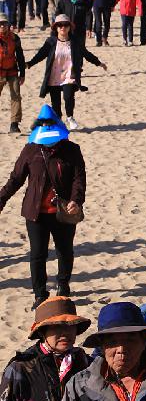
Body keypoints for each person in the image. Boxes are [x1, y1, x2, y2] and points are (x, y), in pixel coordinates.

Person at [0, 106, 85, 307]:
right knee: (38, 254)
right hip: (35, 212)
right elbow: (16, 179)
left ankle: (63, 285)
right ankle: (40, 294)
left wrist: (76, 200)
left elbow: (78, 179)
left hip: (62, 212)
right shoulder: (30, 150)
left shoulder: (72, 150)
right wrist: (1, 199)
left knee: (65, 250)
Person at [25, 14, 107, 130]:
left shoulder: (75, 41)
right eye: (60, 25)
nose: (62, 27)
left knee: (68, 97)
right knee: (56, 104)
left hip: (69, 75)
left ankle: (70, 117)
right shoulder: (51, 42)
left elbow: (86, 53)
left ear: (69, 27)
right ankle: (59, 123)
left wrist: (99, 63)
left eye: (65, 25)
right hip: (54, 76)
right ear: (56, 28)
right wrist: (29, 64)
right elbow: (41, 54)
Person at [0, 13, 25, 133]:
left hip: (12, 70)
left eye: (4, 23)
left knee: (16, 96)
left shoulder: (15, 38)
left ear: (8, 25)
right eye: (0, 24)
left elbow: (20, 56)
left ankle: (14, 124)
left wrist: (23, 74)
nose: (2, 26)